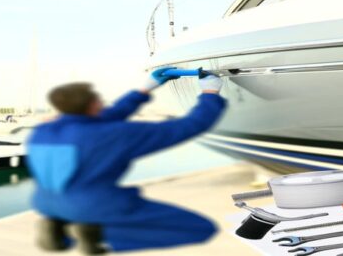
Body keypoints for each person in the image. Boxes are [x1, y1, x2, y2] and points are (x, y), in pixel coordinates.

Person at [26, 67, 227, 254]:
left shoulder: (43, 131)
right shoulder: (114, 135)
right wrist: (210, 94)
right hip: (93, 206)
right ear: (94, 104)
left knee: (79, 212)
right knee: (200, 229)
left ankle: (61, 231)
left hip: (45, 203)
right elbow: (189, 125)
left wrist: (145, 89)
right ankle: (95, 236)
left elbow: (106, 116)